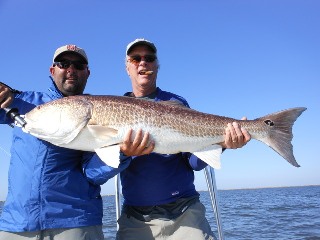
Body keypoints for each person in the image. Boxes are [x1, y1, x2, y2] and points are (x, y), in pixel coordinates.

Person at [0, 44, 153, 240]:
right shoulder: (22, 102)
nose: (71, 70)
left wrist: (123, 152)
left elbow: (93, 174)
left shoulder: (98, 111)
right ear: (52, 70)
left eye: (78, 65)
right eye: (63, 64)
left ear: (87, 73)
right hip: (17, 225)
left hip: (76, 223)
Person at [115, 39, 252, 240]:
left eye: (149, 58)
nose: (143, 63)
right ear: (127, 67)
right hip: (136, 217)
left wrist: (223, 144)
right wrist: (123, 152)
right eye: (135, 59)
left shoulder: (176, 103)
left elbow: (194, 162)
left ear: (157, 66)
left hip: (184, 212)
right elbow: (105, 166)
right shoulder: (114, 109)